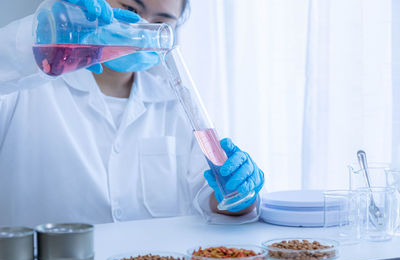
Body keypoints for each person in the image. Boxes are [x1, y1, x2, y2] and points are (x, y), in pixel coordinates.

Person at [0, 0, 264, 227]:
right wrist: (34, 36)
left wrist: (237, 195)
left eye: (161, 21)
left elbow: (210, 198)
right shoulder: (24, 89)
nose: (143, 28)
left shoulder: (176, 103)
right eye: (130, 9)